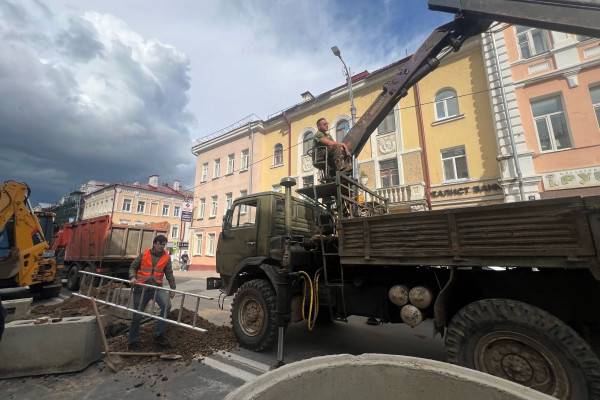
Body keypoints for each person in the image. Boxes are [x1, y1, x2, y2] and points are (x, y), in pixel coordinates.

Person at [128, 234, 176, 350]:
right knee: (137, 314)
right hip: (141, 287)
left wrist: (173, 287)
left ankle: (158, 335)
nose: (162, 247)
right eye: (160, 244)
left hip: (156, 287)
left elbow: (169, 273)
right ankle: (132, 341)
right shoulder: (144, 254)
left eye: (164, 245)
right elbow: (133, 267)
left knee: (166, 305)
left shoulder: (166, 257)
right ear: (155, 243)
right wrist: (132, 277)